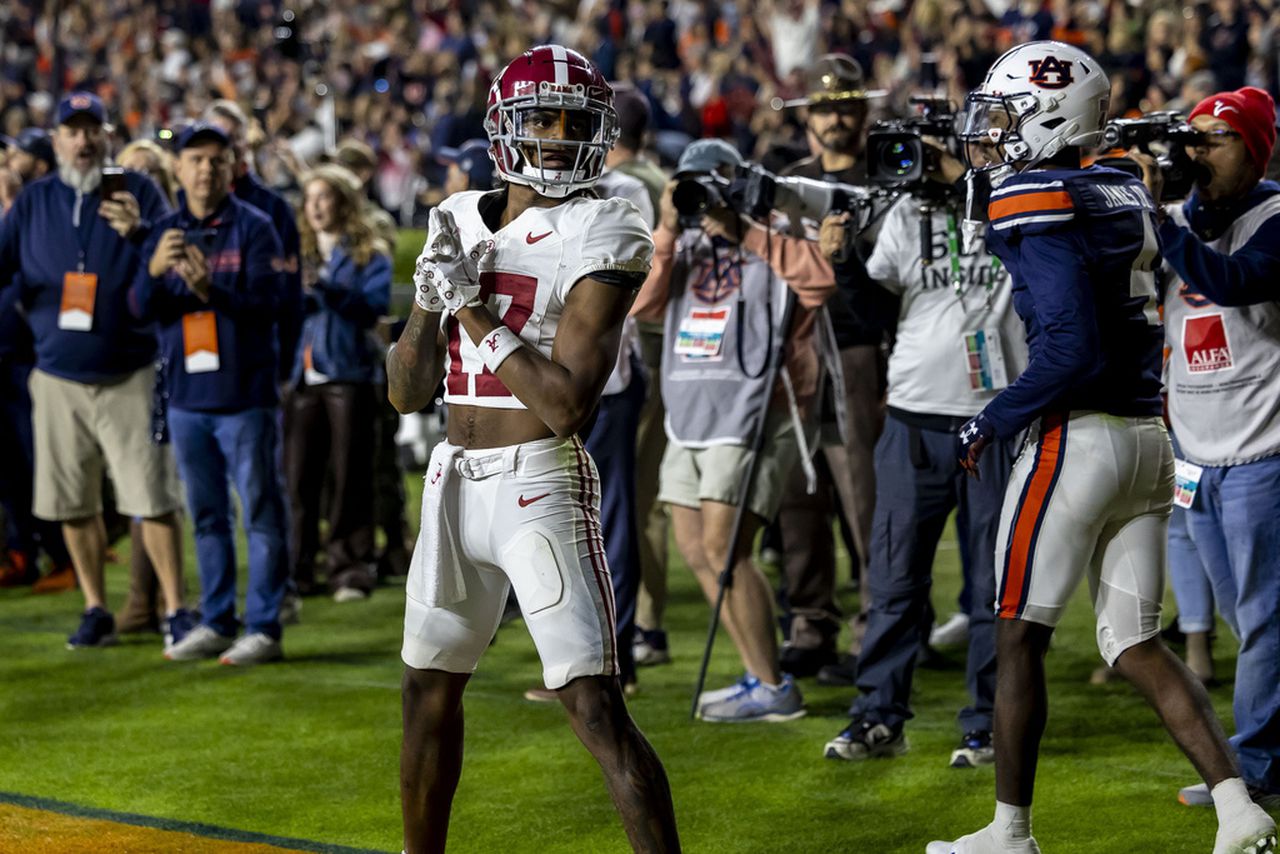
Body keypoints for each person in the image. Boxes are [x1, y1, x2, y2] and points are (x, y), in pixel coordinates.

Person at [928, 42, 1277, 854]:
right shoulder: (1120, 184)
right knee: (1135, 642)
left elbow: (1069, 349)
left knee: (1017, 632)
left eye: (1012, 113)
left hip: (1074, 440)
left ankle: (1010, 832)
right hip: (1148, 439)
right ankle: (1240, 808)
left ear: (1052, 115)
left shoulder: (1034, 195)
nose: (998, 132)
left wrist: (992, 417)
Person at [389, 46, 680, 853]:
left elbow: (564, 405)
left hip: (537, 487)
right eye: (540, 119)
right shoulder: (453, 215)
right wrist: (426, 304)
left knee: (592, 704)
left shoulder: (607, 219)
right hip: (451, 483)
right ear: (502, 127)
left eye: (572, 122)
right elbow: (407, 392)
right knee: (424, 691)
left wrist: (473, 311)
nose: (555, 136)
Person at [822, 145, 1026, 767]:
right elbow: (881, 313)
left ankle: (988, 722)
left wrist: (966, 181)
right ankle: (879, 715)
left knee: (994, 587)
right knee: (892, 580)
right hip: (913, 417)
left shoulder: (1017, 199)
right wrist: (845, 263)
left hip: (996, 419)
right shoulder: (908, 210)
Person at [631, 138, 836, 722]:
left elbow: (818, 281)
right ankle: (760, 678)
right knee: (697, 550)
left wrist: (742, 228)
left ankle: (774, 685)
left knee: (727, 550)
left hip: (752, 410)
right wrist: (668, 229)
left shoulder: (771, 230)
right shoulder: (682, 243)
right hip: (689, 410)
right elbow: (642, 305)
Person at [0, 91, 192, 651]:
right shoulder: (33, 201)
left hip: (129, 369)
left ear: (107, 136)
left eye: (92, 130)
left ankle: (175, 609)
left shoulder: (138, 190)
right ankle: (94, 607)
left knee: (152, 497)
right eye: (72, 131)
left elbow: (170, 257)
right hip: (57, 376)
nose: (82, 141)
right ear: (56, 139)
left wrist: (137, 233)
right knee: (71, 502)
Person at [1135, 85, 1280, 813]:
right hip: (1195, 455)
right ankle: (1259, 763)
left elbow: (1231, 281)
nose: (1194, 154)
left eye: (1213, 141)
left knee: (1263, 623)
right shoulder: (1179, 219)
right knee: (1245, 619)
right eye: (1188, 139)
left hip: (1265, 452)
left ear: (1256, 152)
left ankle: (1253, 774)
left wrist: (1156, 220)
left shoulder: (1276, 216)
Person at [131, 123, 290, 666]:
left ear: (230, 169)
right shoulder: (164, 231)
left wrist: (208, 290)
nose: (205, 170)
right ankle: (218, 619)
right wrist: (153, 272)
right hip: (186, 399)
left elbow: (270, 307)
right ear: (177, 169)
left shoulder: (256, 227)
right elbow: (136, 309)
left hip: (245, 395)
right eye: (195, 160)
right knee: (206, 516)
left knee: (261, 514)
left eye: (215, 161)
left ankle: (264, 627)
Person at [771, 54, 896, 680]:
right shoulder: (788, 179)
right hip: (796, 350)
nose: (837, 117)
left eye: (847, 105)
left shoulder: (889, 177)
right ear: (808, 116)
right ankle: (809, 621)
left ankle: (877, 624)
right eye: (825, 107)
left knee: (863, 496)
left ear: (865, 112)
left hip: (860, 348)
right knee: (799, 493)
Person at [285, 164, 391, 602]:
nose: (314, 208)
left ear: (344, 202)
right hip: (303, 377)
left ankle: (349, 567)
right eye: (309, 199)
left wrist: (326, 288)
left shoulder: (369, 253)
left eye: (324, 197)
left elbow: (372, 308)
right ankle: (298, 569)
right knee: (298, 480)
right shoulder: (296, 251)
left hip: (349, 376)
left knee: (350, 478)